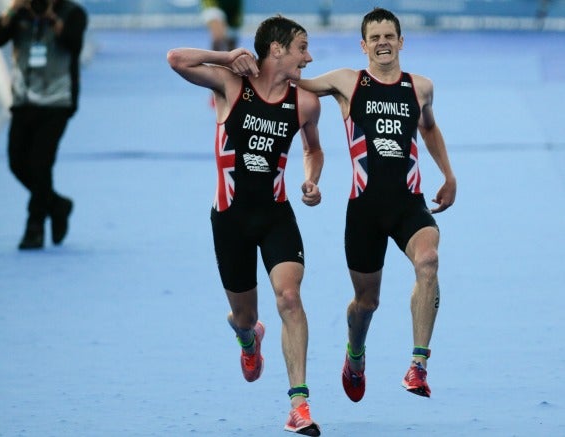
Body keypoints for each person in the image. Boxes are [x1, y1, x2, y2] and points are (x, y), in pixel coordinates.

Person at [167, 15, 323, 436]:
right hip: (230, 221)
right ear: (276, 49)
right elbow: (176, 59)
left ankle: (299, 405)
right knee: (244, 314)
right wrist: (226, 55)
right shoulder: (231, 86)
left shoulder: (305, 102)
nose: (308, 58)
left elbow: (314, 150)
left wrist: (312, 179)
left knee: (289, 297)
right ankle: (248, 337)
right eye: (301, 48)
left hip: (276, 217)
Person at [297, 7, 456, 401]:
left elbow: (430, 128)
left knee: (429, 261)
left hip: (409, 206)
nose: (383, 43)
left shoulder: (420, 87)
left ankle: (418, 366)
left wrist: (448, 176)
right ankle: (355, 353)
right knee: (366, 303)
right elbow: (294, 84)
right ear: (363, 45)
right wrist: (249, 66)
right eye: (375, 37)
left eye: (390, 36)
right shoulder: (347, 83)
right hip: (364, 211)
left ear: (401, 42)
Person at [0, 0, 87, 250]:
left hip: (57, 101)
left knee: (41, 163)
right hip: (23, 101)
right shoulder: (20, 13)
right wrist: (12, 9)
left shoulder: (73, 13)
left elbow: (74, 45)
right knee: (17, 163)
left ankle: (34, 226)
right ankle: (57, 205)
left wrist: (53, 19)